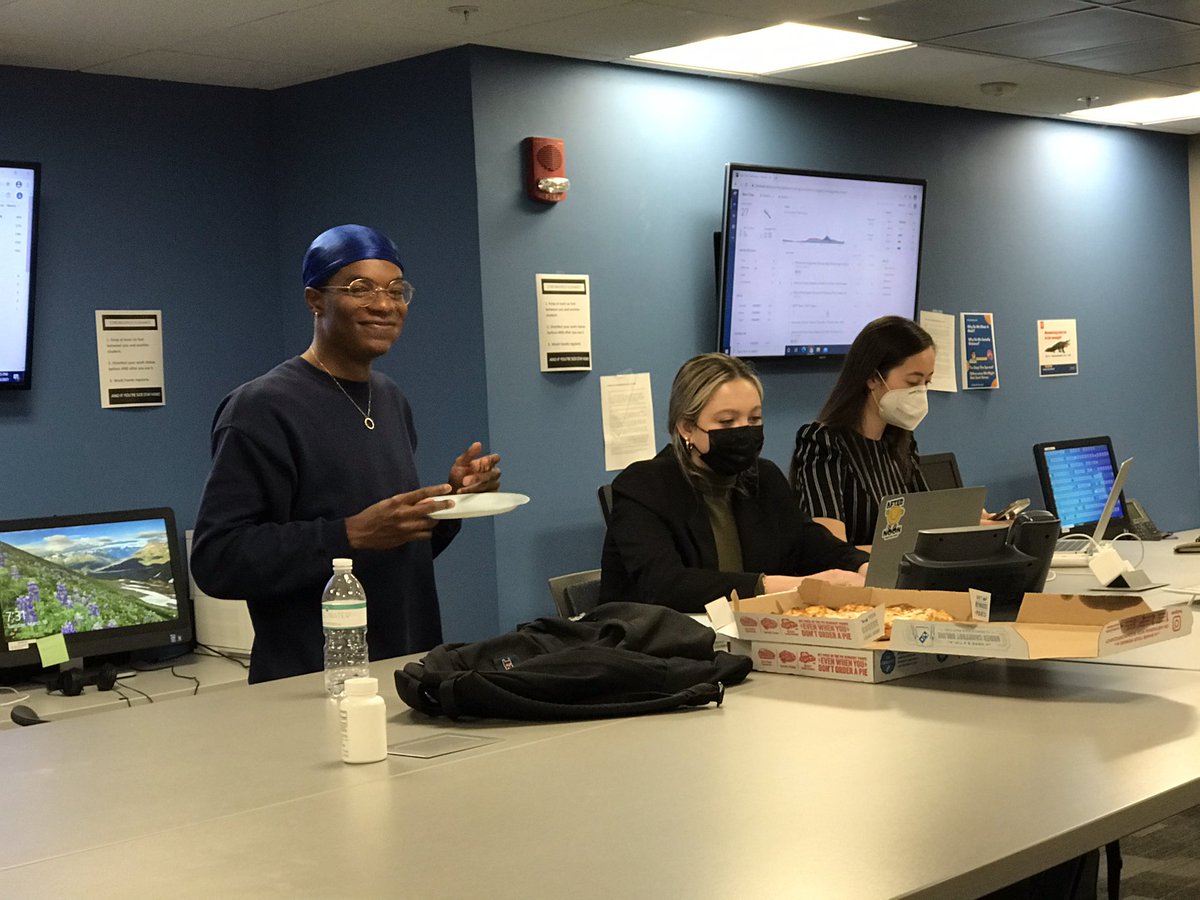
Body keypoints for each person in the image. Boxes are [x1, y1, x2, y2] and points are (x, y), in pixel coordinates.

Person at [191, 224, 500, 684]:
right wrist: (349, 534)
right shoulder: (262, 408)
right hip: (311, 684)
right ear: (315, 300)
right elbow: (218, 560)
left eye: (397, 290)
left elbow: (393, 550)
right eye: (360, 289)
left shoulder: (389, 397)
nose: (384, 304)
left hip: (406, 669)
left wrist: (449, 503)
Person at [599, 353, 869, 613]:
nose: (744, 430)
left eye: (754, 419)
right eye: (727, 421)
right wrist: (775, 585)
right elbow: (665, 585)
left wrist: (862, 566)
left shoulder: (764, 478)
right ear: (686, 427)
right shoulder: (644, 487)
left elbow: (811, 544)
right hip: (658, 648)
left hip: (746, 638)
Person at [790, 315, 937, 547]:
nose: (920, 393)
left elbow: (928, 519)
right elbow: (831, 548)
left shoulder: (900, 441)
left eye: (926, 383)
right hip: (854, 579)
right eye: (912, 382)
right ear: (872, 378)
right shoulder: (823, 442)